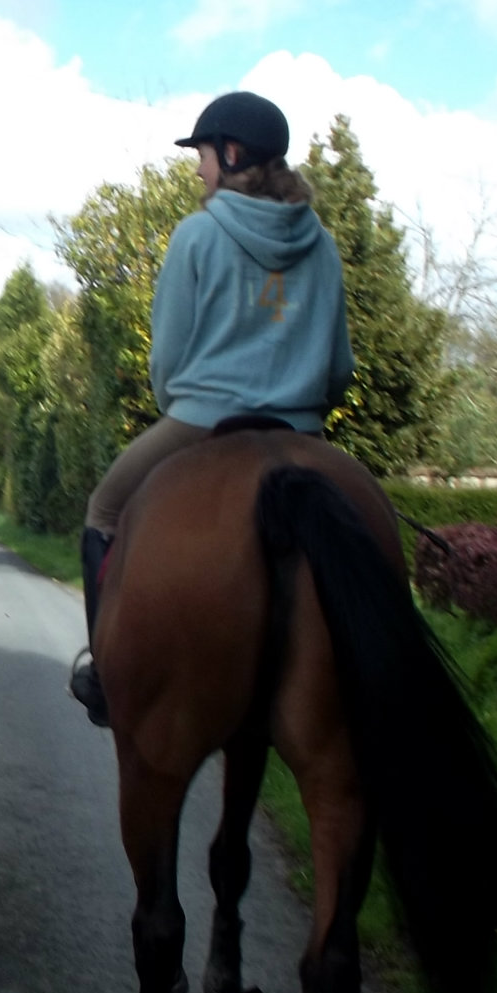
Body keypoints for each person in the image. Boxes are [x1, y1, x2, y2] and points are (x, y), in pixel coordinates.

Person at [69, 90, 355, 727]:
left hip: (202, 422)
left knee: (104, 508)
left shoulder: (198, 234)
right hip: (304, 430)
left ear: (230, 153)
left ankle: (107, 674)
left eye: (201, 154)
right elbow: (339, 370)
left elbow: (166, 361)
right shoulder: (323, 246)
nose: (198, 169)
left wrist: (187, 408)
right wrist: (306, 409)